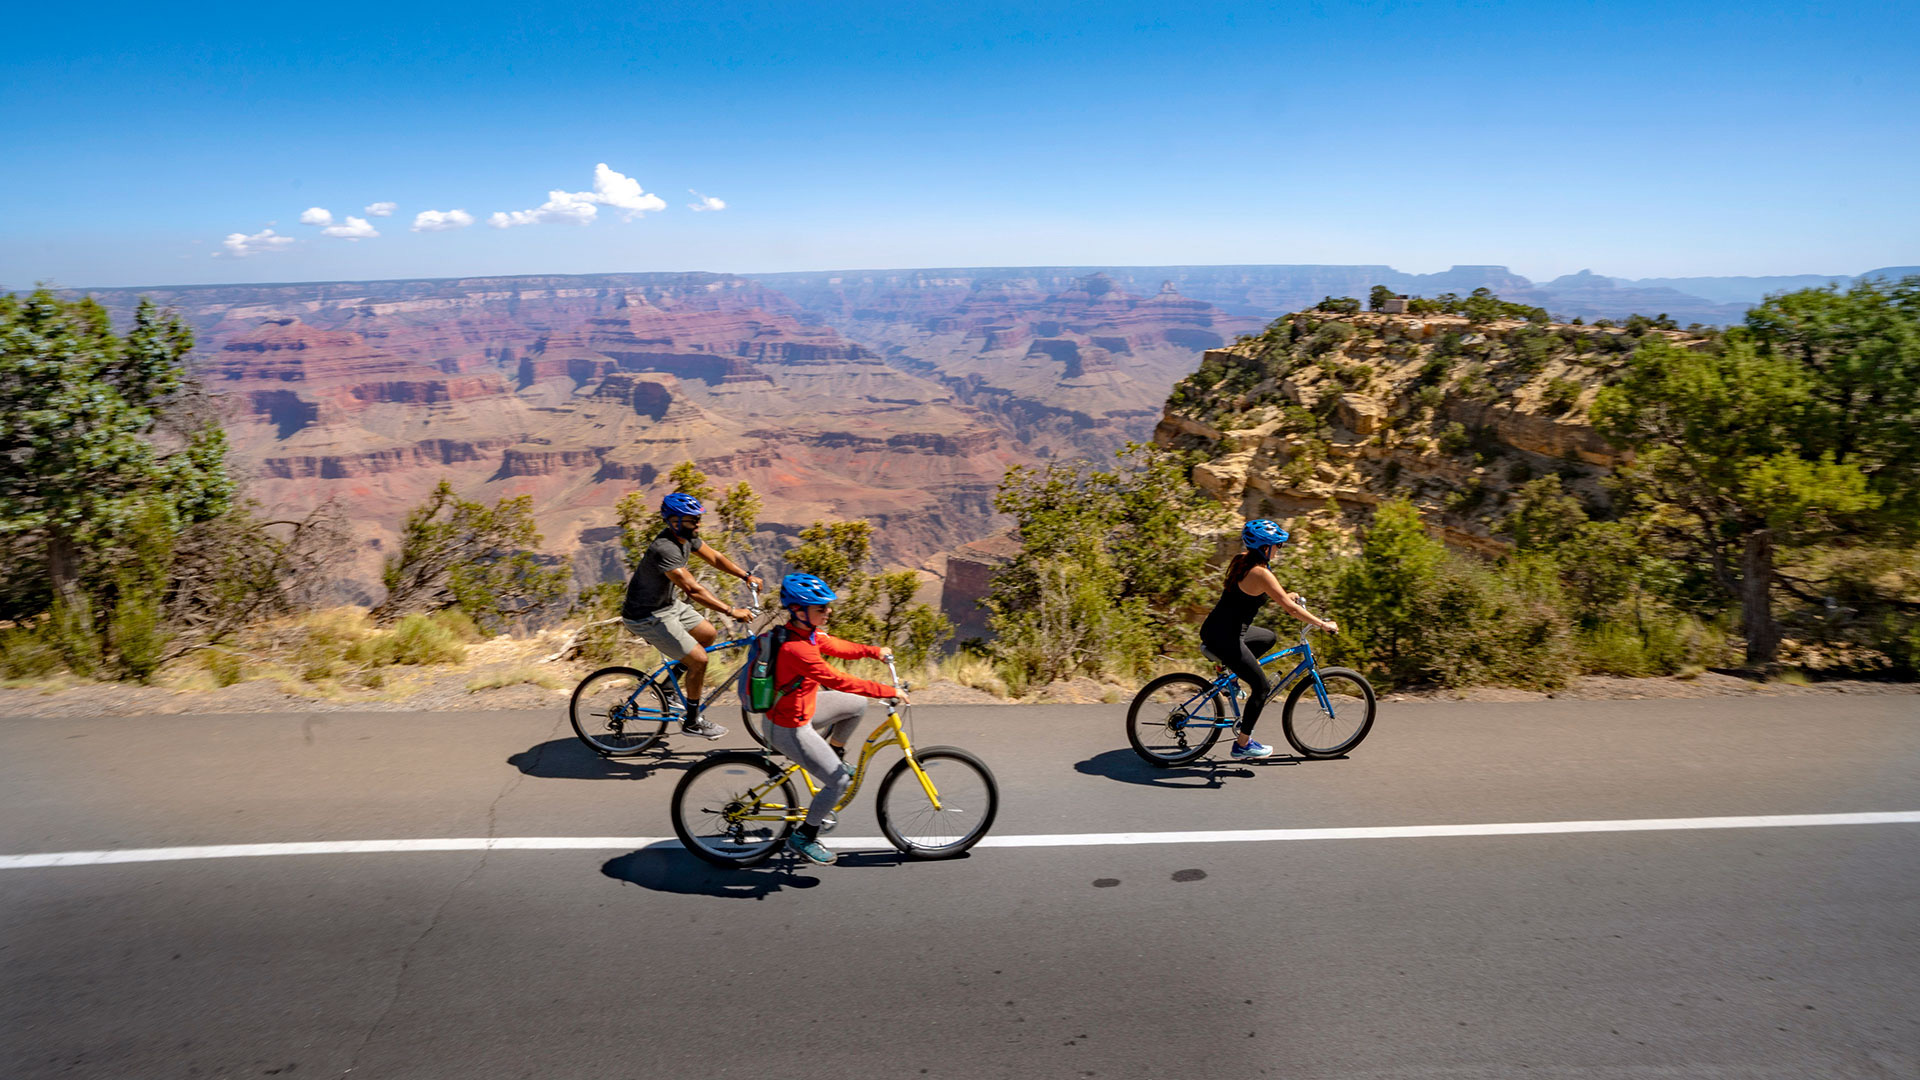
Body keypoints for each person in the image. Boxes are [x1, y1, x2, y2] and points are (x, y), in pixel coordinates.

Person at [758, 573, 904, 865]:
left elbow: (836, 646)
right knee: (837, 781)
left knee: (856, 704)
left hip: (805, 708)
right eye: (821, 608)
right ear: (799, 611)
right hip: (788, 728)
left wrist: (873, 652)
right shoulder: (796, 649)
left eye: (827, 606)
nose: (829, 612)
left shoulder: (805, 633)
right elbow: (838, 680)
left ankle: (834, 751)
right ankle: (805, 837)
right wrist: (888, 691)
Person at [620, 492, 762, 739]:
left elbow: (715, 557)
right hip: (646, 616)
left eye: (698, 519)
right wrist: (731, 611)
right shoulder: (664, 549)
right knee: (699, 661)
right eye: (691, 520)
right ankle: (692, 721)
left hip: (667, 605)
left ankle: (667, 688)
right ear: (673, 520)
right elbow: (693, 589)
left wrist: (745, 575)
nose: (697, 524)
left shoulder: (688, 538)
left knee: (708, 634)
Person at [1199, 519, 1339, 760]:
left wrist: (1287, 595)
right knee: (1262, 688)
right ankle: (1242, 745)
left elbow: (1271, 594)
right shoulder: (1261, 572)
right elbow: (1291, 610)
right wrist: (1322, 624)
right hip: (1226, 637)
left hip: (1217, 629)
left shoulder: (1245, 560)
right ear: (1265, 548)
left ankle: (1229, 674)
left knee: (1267, 637)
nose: (1279, 550)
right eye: (1277, 546)